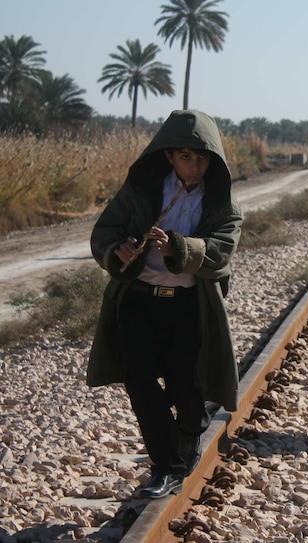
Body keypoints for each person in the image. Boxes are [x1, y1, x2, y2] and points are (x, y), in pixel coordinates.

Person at [87, 110, 243, 498]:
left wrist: (179, 247)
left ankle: (191, 428)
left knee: (184, 386)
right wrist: (119, 249)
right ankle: (166, 466)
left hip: (189, 305)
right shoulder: (142, 190)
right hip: (139, 301)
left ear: (214, 160)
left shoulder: (221, 203)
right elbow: (104, 232)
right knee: (139, 380)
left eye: (203, 158)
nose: (195, 166)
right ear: (170, 156)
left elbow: (221, 252)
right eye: (186, 157)